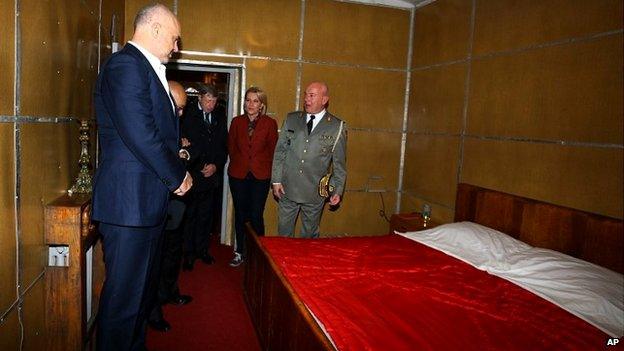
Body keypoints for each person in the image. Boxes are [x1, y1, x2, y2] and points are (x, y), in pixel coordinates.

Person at [92, 4, 192, 350]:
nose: (176, 48)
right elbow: (141, 134)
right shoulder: (125, 66)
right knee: (123, 305)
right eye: (175, 38)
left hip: (144, 206)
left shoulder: (145, 71)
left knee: (138, 301)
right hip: (128, 207)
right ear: (155, 29)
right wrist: (178, 176)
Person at [271, 82, 347, 238]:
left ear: (324, 99)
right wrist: (276, 180)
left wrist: (337, 190)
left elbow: (339, 164)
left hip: (314, 193)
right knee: (283, 235)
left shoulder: (336, 126)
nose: (306, 99)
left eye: (312, 96)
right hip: (287, 188)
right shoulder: (292, 119)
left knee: (309, 237)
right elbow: (280, 152)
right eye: (306, 95)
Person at [147, 81, 194, 332]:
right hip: (155, 204)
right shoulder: (150, 124)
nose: (181, 113)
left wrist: (184, 154)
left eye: (184, 109)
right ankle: (153, 313)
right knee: (153, 262)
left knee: (172, 254)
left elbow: (185, 150)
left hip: (176, 204)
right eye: (178, 107)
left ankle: (170, 293)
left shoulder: (177, 122)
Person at [227, 87, 278, 266]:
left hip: (260, 176)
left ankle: (258, 254)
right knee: (240, 214)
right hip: (238, 174)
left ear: (261, 105)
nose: (251, 104)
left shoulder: (270, 124)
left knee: (256, 215)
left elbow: (273, 152)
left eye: (255, 101)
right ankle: (239, 251)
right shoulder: (236, 122)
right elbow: (232, 149)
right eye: (248, 100)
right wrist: (243, 164)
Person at [181, 83, 228, 270]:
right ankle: (189, 253)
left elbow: (223, 146)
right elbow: (184, 145)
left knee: (206, 216)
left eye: (214, 101)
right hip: (193, 174)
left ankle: (202, 250)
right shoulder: (187, 115)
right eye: (208, 100)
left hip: (211, 176)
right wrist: (199, 166)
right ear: (200, 98)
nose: (211, 105)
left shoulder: (219, 116)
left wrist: (216, 166)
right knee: (190, 215)